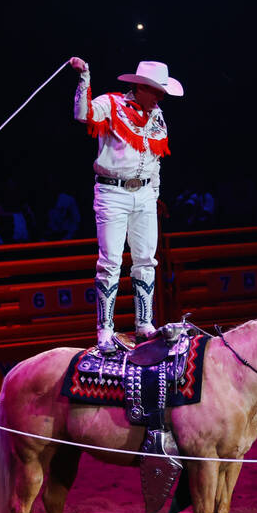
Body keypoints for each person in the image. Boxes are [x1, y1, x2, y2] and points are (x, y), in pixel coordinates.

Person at [70, 56, 183, 351]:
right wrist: (85, 78)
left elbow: (156, 160)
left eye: (161, 92)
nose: (160, 97)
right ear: (141, 87)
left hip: (145, 193)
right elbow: (84, 114)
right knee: (110, 263)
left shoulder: (156, 115)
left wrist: (154, 193)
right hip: (113, 192)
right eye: (156, 91)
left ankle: (144, 324)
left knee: (146, 259)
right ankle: (105, 331)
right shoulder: (112, 103)